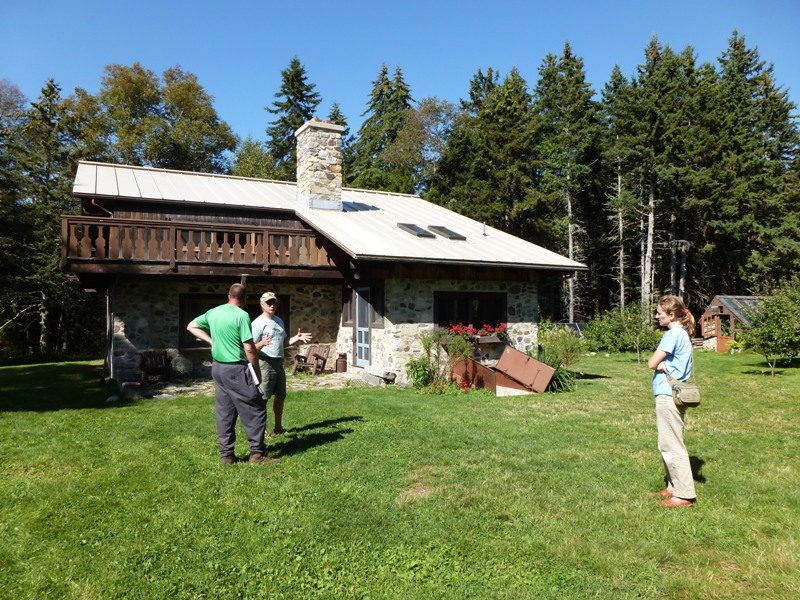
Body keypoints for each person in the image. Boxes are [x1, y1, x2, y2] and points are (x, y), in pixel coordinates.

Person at [186, 283, 279, 465]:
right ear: (244, 299)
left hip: (218, 368)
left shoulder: (213, 312)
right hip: (236, 369)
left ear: (228, 295)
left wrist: (211, 342)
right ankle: (257, 454)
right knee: (255, 408)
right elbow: (249, 348)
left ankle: (227, 456)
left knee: (225, 412)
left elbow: (191, 326)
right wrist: (256, 373)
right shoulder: (241, 315)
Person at [647, 295, 697, 507]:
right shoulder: (683, 334)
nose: (657, 316)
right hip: (675, 393)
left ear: (672, 315)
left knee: (672, 444)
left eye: (660, 312)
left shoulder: (672, 335)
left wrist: (659, 364)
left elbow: (651, 362)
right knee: (667, 441)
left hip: (668, 394)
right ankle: (672, 487)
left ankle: (684, 494)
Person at [251, 291, 313, 436]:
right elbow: (251, 348)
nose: (272, 305)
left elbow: (283, 342)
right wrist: (262, 343)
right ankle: (261, 430)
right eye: (269, 303)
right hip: (264, 362)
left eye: (274, 303)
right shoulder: (257, 323)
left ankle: (278, 427)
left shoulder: (279, 321)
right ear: (262, 305)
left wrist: (296, 338)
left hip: (278, 362)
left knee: (281, 394)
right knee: (263, 398)